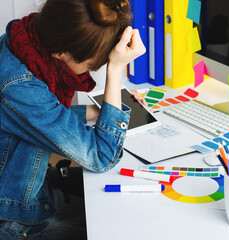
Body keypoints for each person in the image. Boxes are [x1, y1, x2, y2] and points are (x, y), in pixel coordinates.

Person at [0, 0, 146, 239]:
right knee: (118, 226)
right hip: (17, 221)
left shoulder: (22, 39)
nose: (93, 69)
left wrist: (95, 110)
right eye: (91, 64)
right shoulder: (20, 87)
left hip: (34, 187)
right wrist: (116, 69)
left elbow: (38, 117)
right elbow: (102, 156)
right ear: (60, 53)